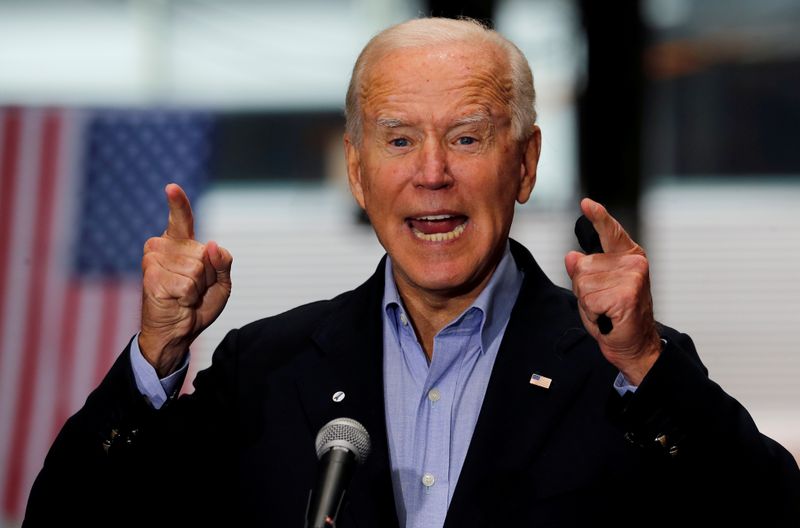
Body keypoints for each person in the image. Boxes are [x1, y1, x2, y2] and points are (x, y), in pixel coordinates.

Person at [23, 17, 800, 528]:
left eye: (466, 137)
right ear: (358, 175)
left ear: (525, 165)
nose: (431, 173)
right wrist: (154, 357)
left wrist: (645, 366)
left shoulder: (628, 368)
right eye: (398, 141)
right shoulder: (267, 370)